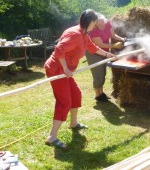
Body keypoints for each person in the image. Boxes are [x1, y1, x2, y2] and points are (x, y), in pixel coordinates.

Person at [44, 9, 115, 149]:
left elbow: (92, 47)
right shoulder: (75, 34)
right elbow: (59, 50)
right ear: (90, 22)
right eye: (94, 23)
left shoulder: (83, 34)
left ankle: (73, 123)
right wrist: (65, 69)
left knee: (76, 94)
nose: (95, 26)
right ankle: (52, 137)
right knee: (65, 101)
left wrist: (108, 55)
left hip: (66, 71)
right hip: (57, 70)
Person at [85, 13, 126, 102]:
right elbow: (100, 44)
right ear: (95, 23)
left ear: (105, 20)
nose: (100, 23)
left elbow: (113, 35)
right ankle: (97, 95)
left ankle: (101, 93)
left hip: (104, 52)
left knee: (102, 73)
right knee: (98, 73)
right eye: (98, 22)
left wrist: (122, 39)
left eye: (102, 21)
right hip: (93, 52)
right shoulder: (94, 30)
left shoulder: (107, 24)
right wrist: (114, 45)